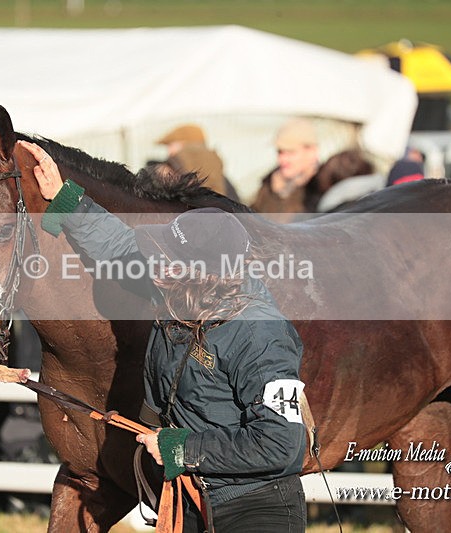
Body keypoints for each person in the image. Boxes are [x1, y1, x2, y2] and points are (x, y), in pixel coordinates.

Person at [18, 140, 307, 532]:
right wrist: (66, 198)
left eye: (169, 258)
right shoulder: (177, 285)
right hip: (190, 498)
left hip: (253, 510)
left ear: (205, 273)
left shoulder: (260, 335)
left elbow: (282, 444)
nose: (156, 263)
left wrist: (184, 448)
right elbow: (119, 247)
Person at [251, 118, 321, 222]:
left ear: (312, 151)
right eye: (280, 152)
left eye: (290, 152)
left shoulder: (321, 189)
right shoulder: (268, 186)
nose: (282, 159)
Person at [153, 124, 241, 202]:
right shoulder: (223, 182)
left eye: (171, 145)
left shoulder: (170, 174)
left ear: (186, 144)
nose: (169, 152)